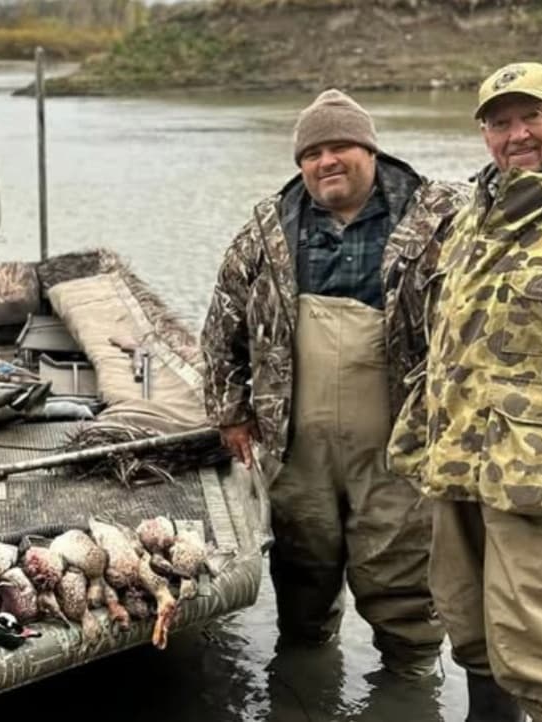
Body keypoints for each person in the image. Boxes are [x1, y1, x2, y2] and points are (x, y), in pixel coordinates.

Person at [389, 61, 542, 722]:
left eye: (530, 116)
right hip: (460, 462)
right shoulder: (481, 204)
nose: (516, 133)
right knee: (471, 629)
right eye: (500, 122)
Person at [200, 89, 466, 679]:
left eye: (339, 145)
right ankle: (305, 673)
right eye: (312, 152)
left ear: (370, 148)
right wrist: (230, 411)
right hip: (297, 445)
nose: (326, 162)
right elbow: (222, 323)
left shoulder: (441, 218)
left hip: (400, 445)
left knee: (400, 573)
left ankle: (411, 677)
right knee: (302, 567)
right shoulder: (268, 229)